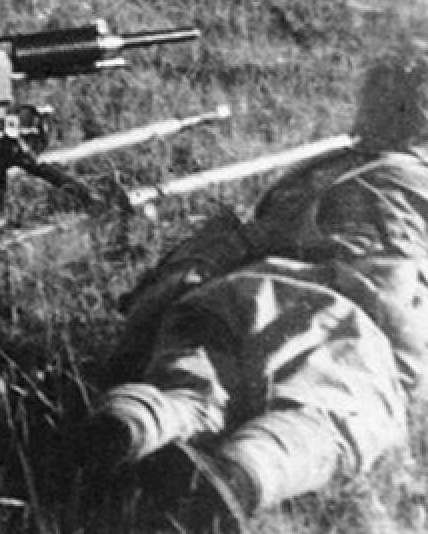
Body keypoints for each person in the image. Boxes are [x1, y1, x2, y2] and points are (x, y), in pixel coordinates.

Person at [85, 42, 428, 530]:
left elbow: (246, 234)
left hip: (237, 289)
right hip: (348, 315)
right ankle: (244, 470)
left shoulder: (314, 171)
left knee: (192, 376)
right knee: (333, 413)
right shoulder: (418, 182)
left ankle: (143, 416)